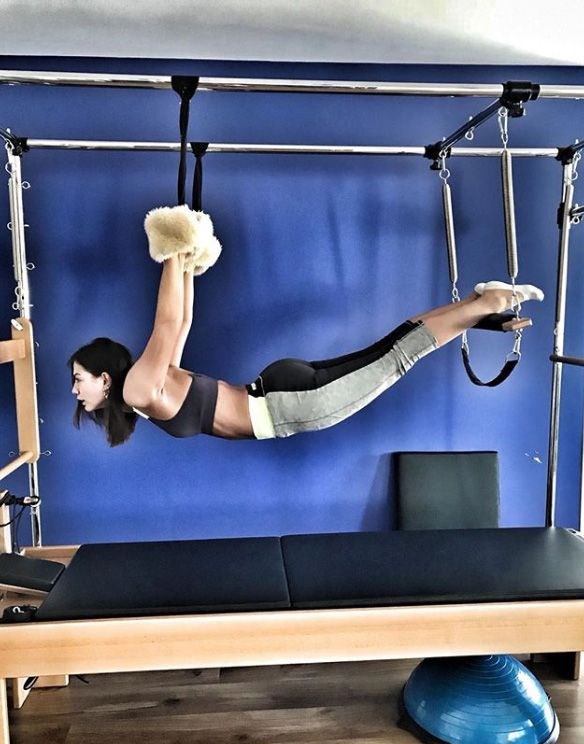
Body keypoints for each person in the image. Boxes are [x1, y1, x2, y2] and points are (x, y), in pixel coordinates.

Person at [69, 205, 544, 446]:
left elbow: (169, 322)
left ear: (105, 377)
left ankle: (491, 300)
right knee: (392, 348)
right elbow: (182, 321)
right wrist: (188, 260)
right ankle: (477, 301)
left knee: (397, 357)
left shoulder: (138, 389)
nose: (74, 390)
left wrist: (174, 247)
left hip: (286, 407)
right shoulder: (147, 386)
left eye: (78, 378)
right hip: (279, 390)